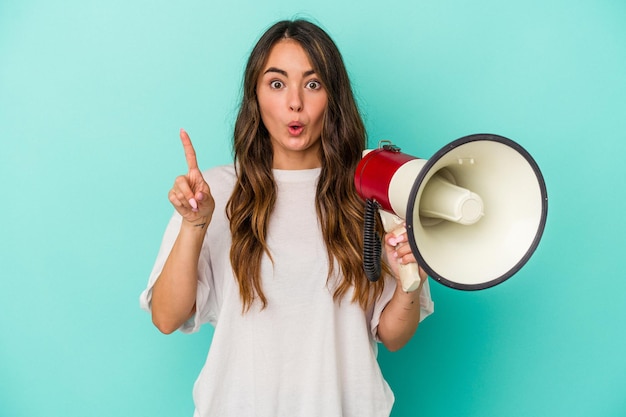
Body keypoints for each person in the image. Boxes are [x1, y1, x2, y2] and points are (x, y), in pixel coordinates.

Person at [140, 18, 434, 417]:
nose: (295, 102)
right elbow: (166, 317)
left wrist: (408, 284)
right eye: (277, 84)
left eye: (313, 84)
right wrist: (195, 223)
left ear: (333, 96)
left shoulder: (372, 193)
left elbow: (392, 336)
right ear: (256, 96)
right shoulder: (213, 192)